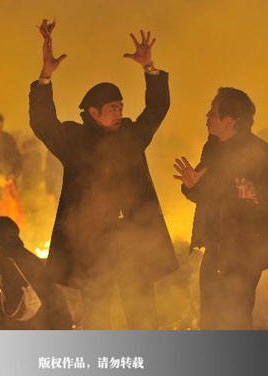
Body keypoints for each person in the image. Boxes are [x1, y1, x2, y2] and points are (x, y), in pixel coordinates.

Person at [29, 20, 178, 329]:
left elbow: (157, 109)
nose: (119, 113)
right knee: (97, 313)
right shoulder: (73, 140)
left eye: (121, 106)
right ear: (92, 113)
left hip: (134, 240)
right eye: (112, 108)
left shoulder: (131, 135)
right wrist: (45, 77)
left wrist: (149, 68)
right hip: (93, 244)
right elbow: (43, 123)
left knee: (142, 313)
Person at [174, 87, 268, 329]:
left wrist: (256, 195)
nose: (207, 115)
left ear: (230, 121)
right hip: (215, 246)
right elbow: (208, 194)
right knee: (210, 317)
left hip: (245, 253)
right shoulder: (213, 148)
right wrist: (192, 186)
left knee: (235, 318)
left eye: (213, 111)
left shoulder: (259, 153)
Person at [0, 216, 72, 330]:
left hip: (49, 326)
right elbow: (4, 292)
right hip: (58, 320)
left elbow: (12, 312)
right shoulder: (23, 256)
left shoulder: (9, 263)